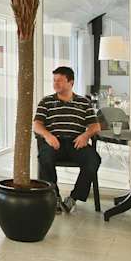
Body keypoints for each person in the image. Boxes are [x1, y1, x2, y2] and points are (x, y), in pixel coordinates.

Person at [34, 66, 102, 213]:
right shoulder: (46, 101)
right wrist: (47, 135)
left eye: (59, 80)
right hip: (54, 142)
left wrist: (85, 135)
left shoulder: (83, 102)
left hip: (76, 143)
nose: (55, 83)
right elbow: (37, 125)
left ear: (71, 83)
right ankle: (54, 197)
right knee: (44, 158)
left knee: (93, 160)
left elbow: (95, 126)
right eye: (54, 80)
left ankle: (73, 198)